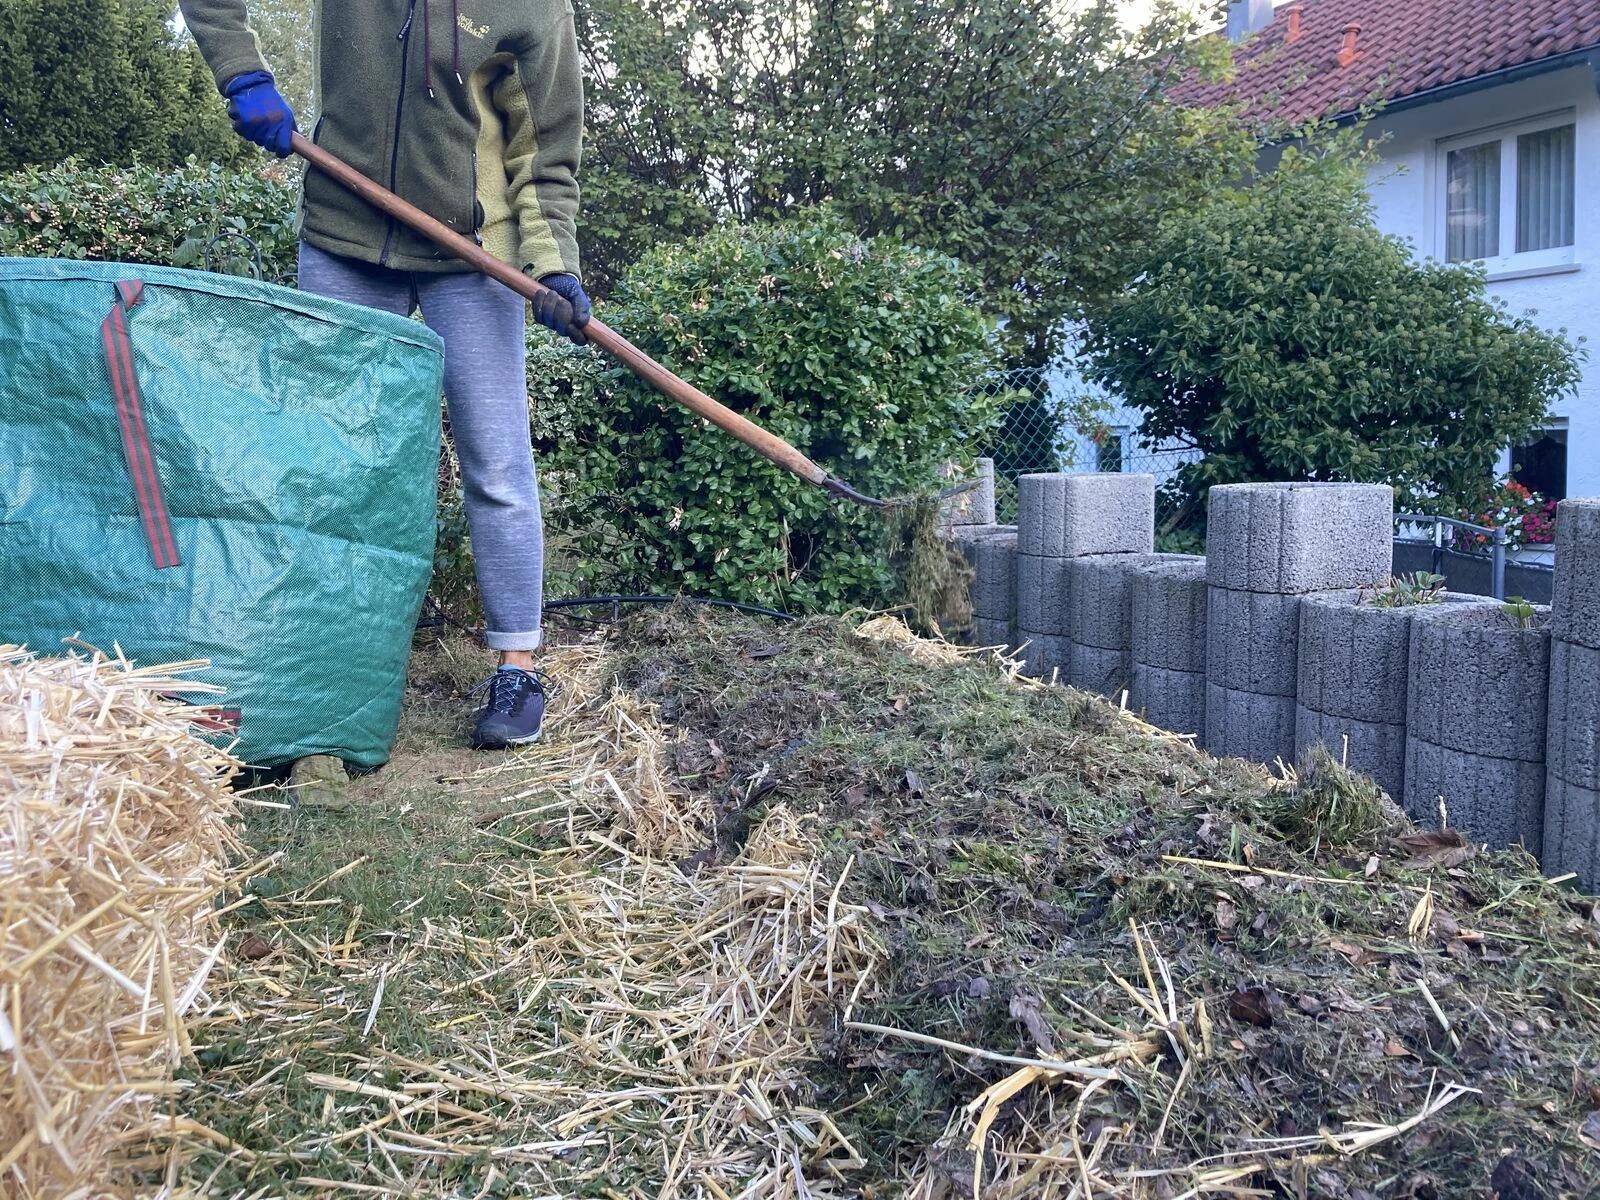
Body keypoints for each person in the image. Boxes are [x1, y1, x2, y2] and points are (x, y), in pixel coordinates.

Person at [177, 0, 587, 787]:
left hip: (476, 254)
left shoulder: (535, 7)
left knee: (495, 459)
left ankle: (517, 667)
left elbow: (546, 153)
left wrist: (552, 263)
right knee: (322, 466)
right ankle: (304, 684)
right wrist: (242, 71)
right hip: (345, 235)